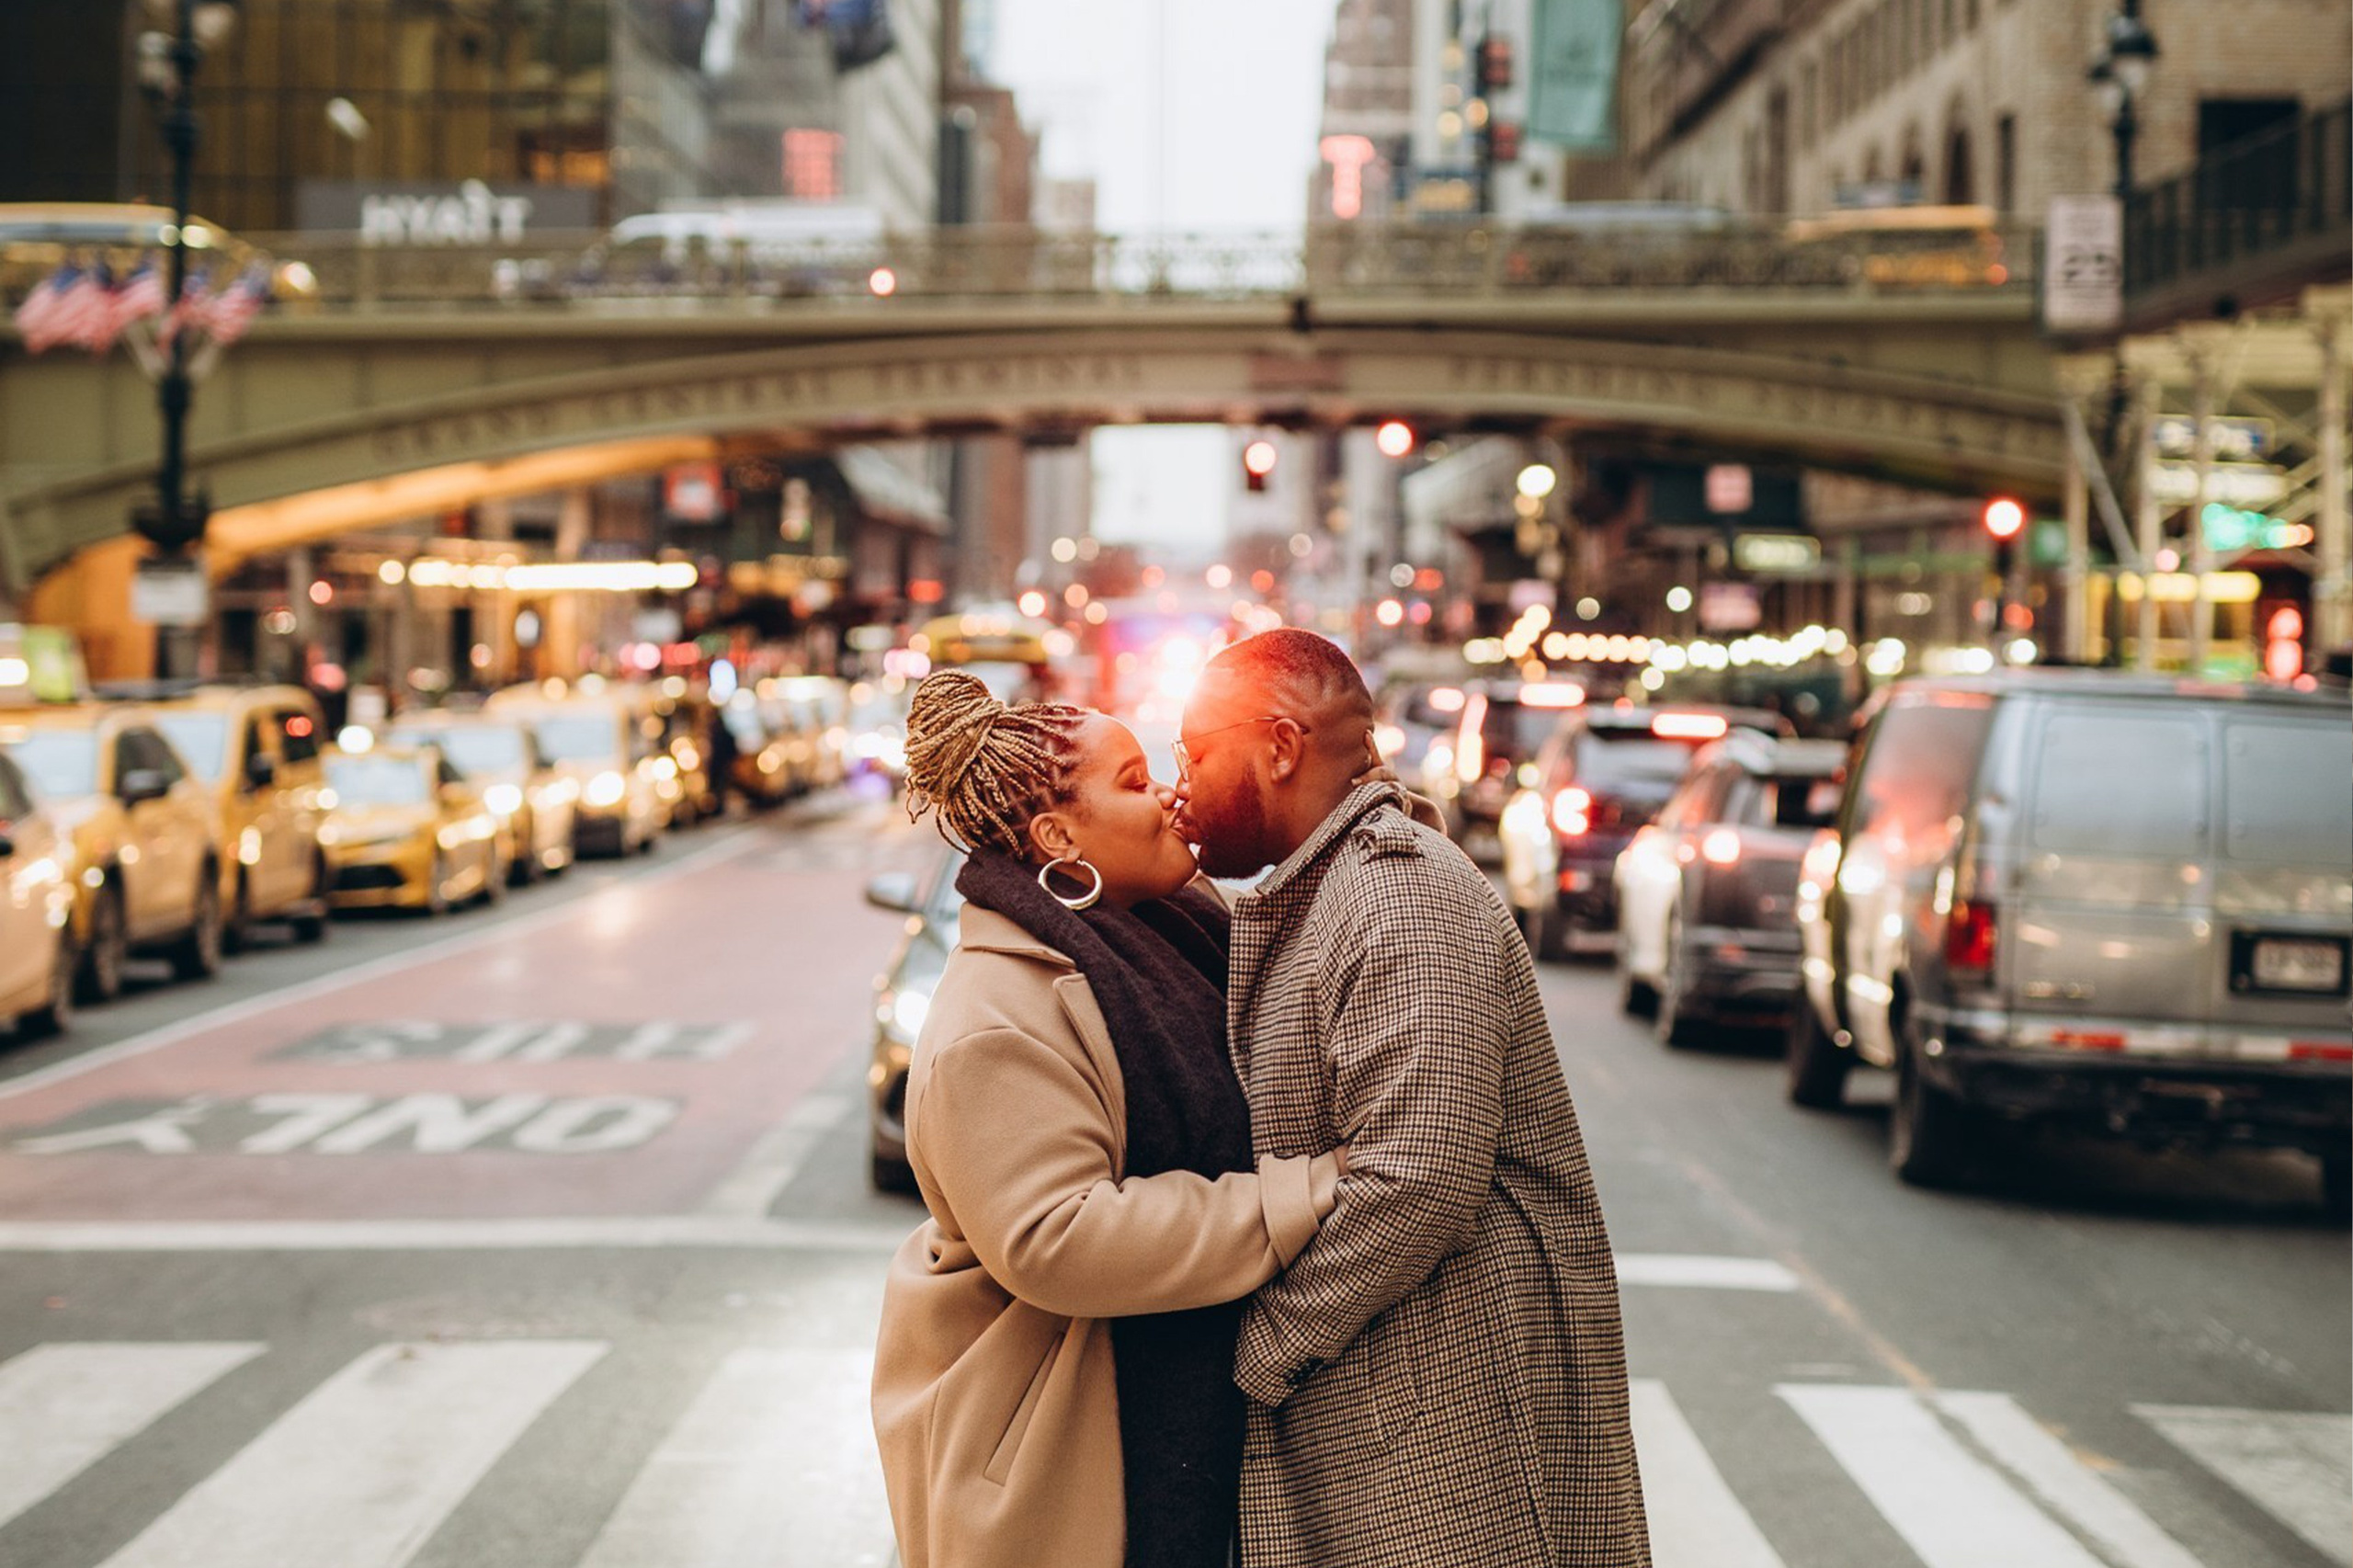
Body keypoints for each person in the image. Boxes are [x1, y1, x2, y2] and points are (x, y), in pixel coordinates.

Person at [1174, 629, 1653, 1568]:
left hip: (1450, 1433)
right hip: (1397, 1407)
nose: (1179, 781)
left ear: (1277, 746)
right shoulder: (1336, 889)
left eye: (1194, 750)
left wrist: (1255, 1352)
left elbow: (1419, 1177)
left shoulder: (1398, 897)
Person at [870, 671, 1347, 1568]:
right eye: (1131, 780)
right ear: (1057, 837)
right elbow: (1058, 1237)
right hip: (1061, 1461)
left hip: (1166, 1422)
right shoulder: (995, 1016)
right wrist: (1304, 1192)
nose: (1168, 792)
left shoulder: (1164, 940)